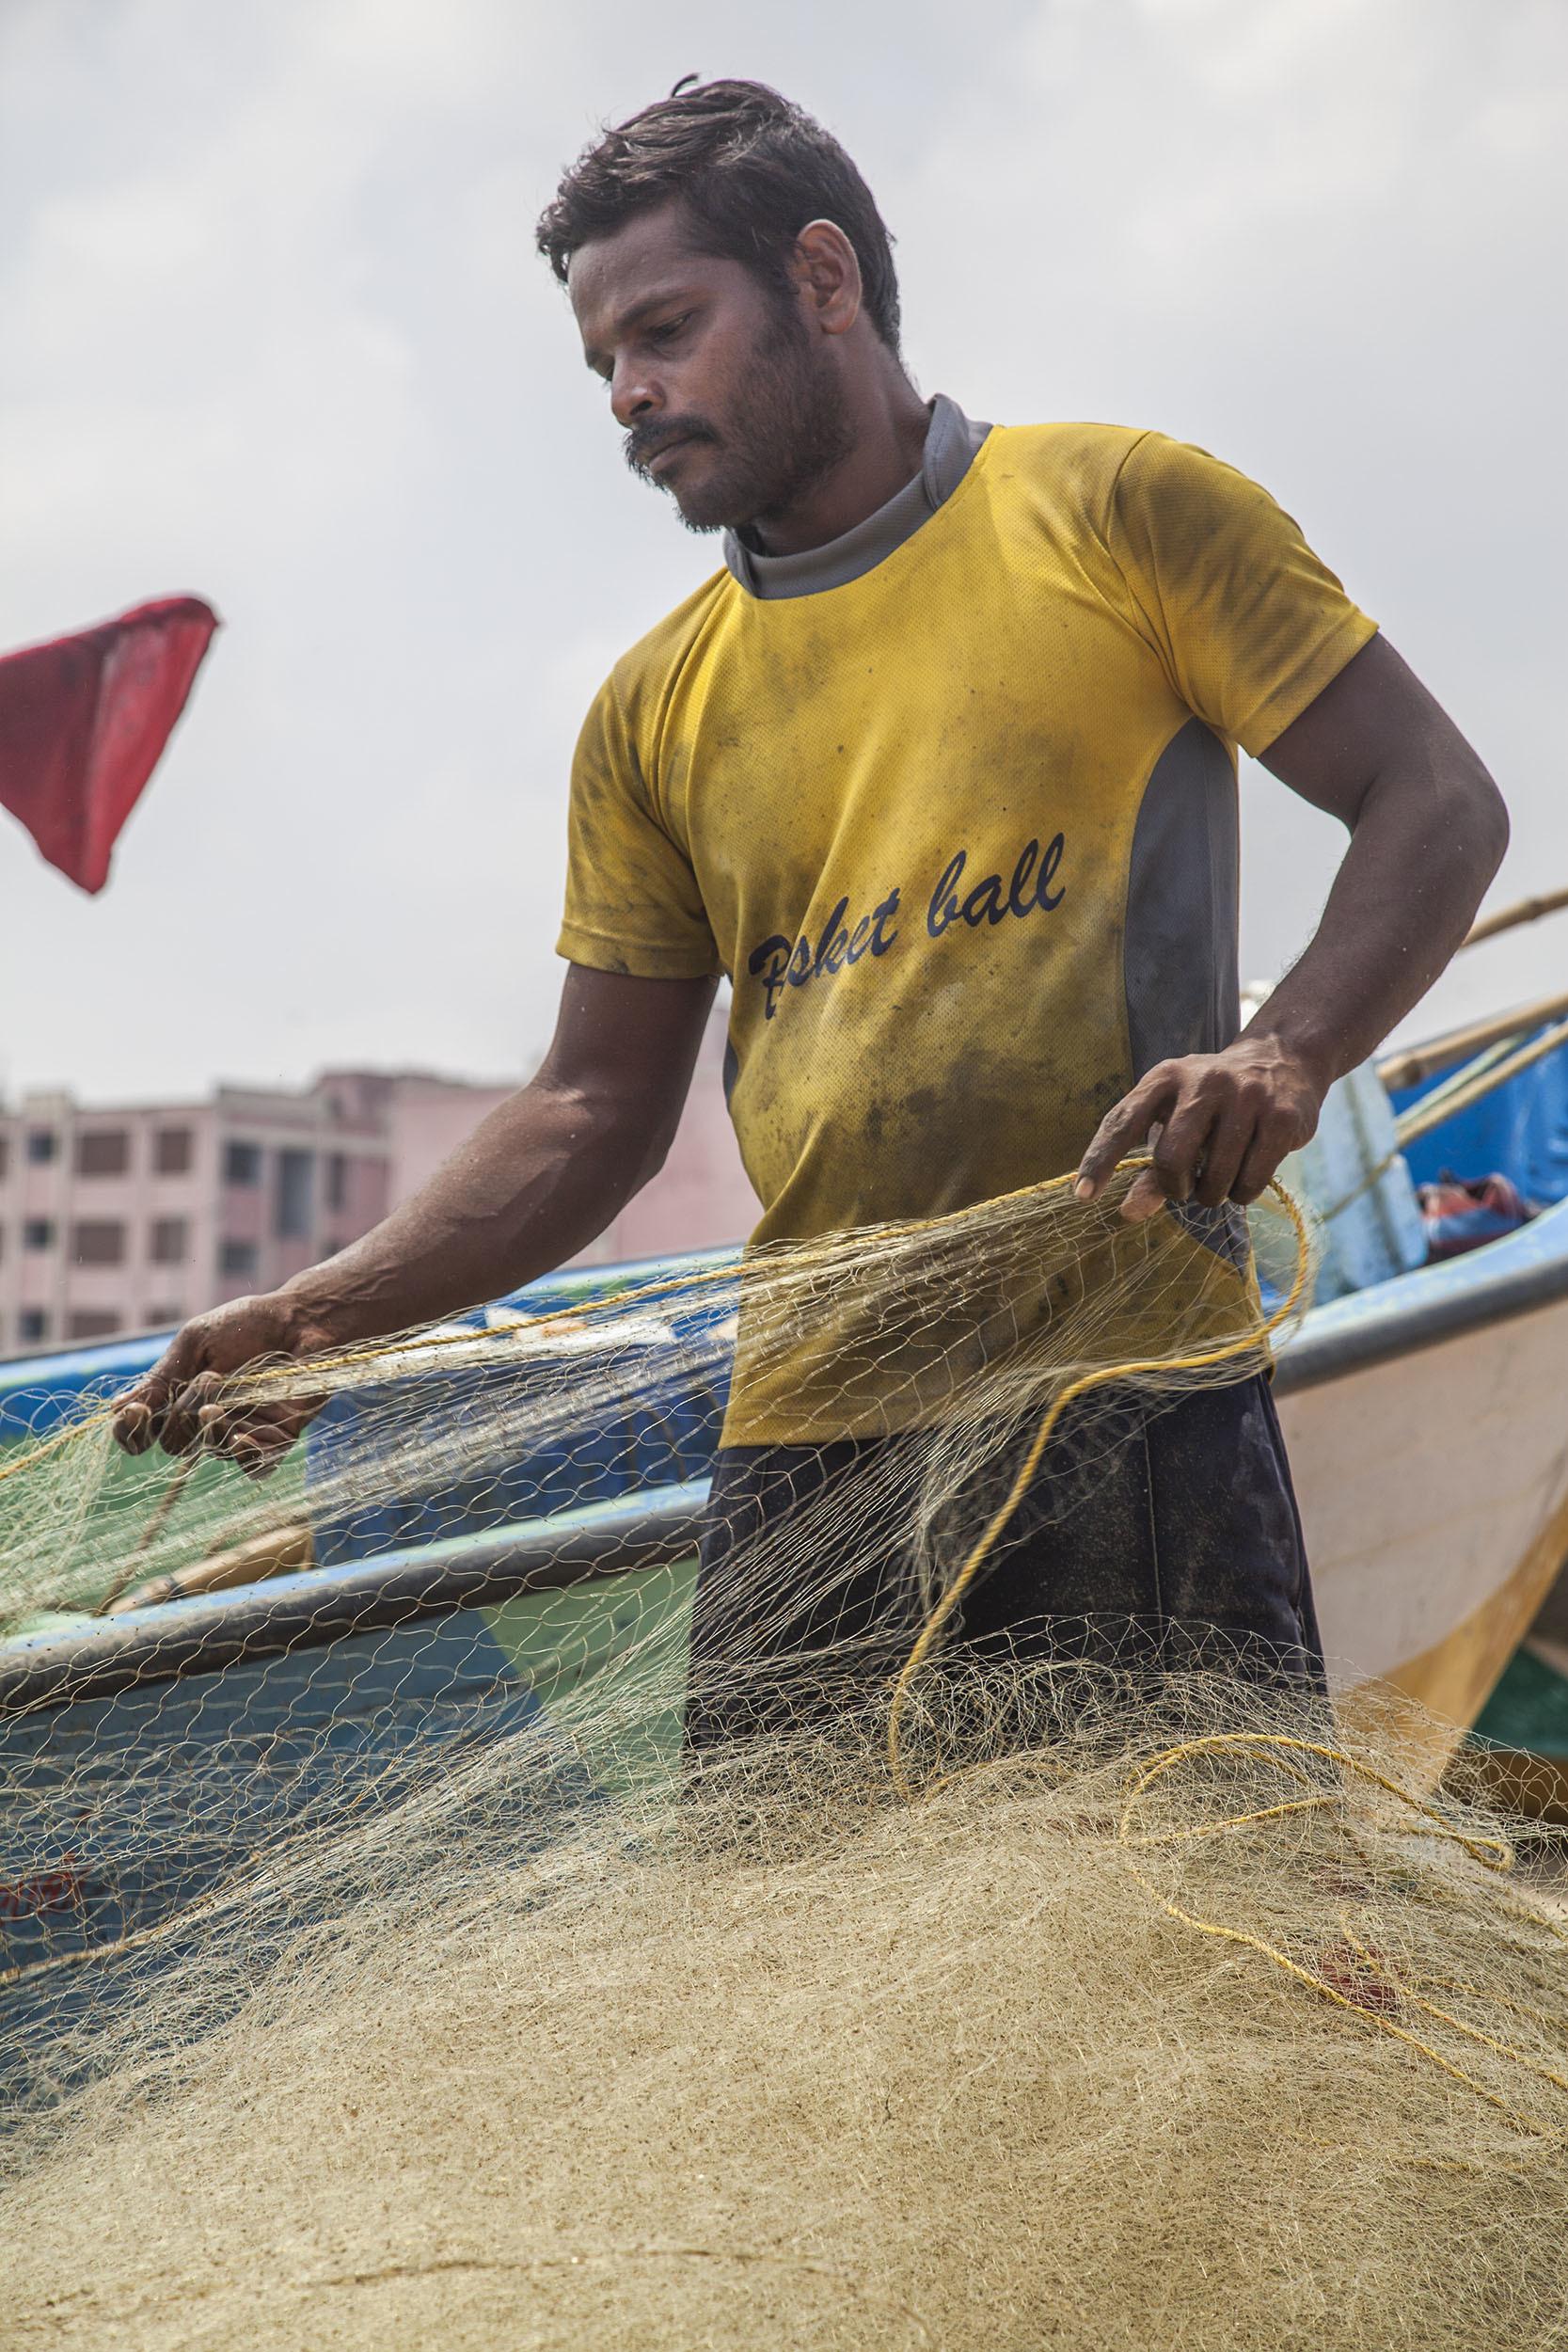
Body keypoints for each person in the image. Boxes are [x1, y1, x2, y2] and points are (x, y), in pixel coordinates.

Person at [116, 78, 1507, 1709]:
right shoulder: (655, 708)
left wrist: (1291, 1054)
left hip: (1117, 1386)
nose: (630, 394)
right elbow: (590, 1108)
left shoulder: (1120, 511)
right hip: (809, 1442)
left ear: (824, 281)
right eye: (604, 365)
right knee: (783, 1958)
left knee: (1176, 1924)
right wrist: (322, 1310)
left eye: (666, 330)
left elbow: (1436, 800)